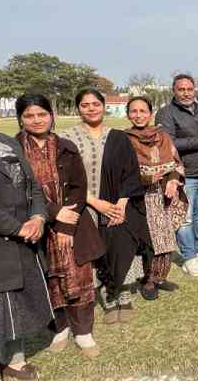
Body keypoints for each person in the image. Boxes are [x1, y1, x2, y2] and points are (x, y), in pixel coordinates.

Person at [15, 94, 106, 359]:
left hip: (73, 223)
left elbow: (79, 187)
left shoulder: (65, 146)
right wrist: (53, 213)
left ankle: (83, 332)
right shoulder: (13, 149)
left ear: (51, 115)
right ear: (21, 119)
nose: (37, 120)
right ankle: (59, 327)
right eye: (29, 115)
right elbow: (16, 190)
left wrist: (66, 226)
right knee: (47, 279)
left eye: (41, 114)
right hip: (35, 224)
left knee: (79, 275)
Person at [0, 84, 52, 381]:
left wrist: (37, 217)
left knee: (19, 302)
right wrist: (18, 227)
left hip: (24, 240)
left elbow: (33, 185)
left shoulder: (8, 142)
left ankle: (15, 362)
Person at [59, 88, 152, 324]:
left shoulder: (118, 136)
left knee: (121, 245)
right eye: (85, 105)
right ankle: (106, 294)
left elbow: (130, 172)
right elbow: (64, 178)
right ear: (78, 108)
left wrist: (121, 204)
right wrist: (93, 201)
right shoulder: (66, 137)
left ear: (103, 106)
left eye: (95, 104)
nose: (91, 108)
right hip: (84, 205)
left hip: (117, 204)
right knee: (96, 251)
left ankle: (122, 292)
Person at [154, 74, 198, 277]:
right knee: (184, 218)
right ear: (174, 90)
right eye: (181, 89)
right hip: (184, 174)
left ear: (194, 89)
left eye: (189, 89)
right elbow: (167, 144)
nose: (186, 93)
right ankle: (189, 257)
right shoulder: (166, 113)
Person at [125, 96, 188, 300]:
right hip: (140, 197)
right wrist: (145, 177)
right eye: (134, 111)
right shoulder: (124, 139)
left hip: (165, 195)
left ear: (150, 114)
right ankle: (147, 280)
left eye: (143, 111)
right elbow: (122, 171)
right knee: (147, 239)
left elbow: (176, 162)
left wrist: (172, 180)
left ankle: (160, 276)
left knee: (165, 236)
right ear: (128, 115)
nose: (138, 115)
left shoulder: (163, 136)